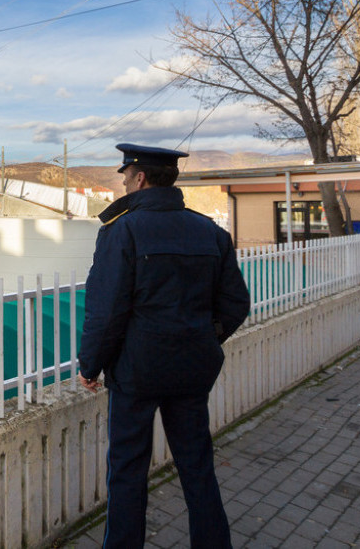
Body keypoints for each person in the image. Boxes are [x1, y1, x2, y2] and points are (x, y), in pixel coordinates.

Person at [77, 143, 250, 548]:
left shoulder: (122, 230)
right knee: (196, 465)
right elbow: (236, 304)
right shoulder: (211, 231)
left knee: (127, 469)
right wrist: (205, 337)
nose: (123, 185)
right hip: (192, 369)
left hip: (137, 372)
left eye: (124, 178)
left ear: (138, 178)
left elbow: (107, 310)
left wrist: (91, 365)